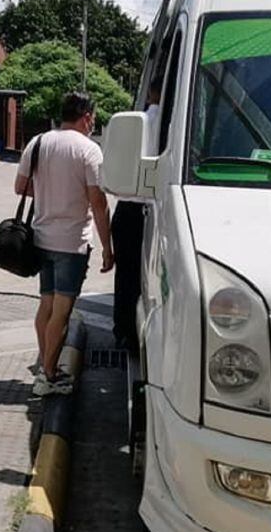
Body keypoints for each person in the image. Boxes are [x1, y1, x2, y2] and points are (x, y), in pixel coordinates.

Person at [15, 92, 114, 396]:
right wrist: (108, 248)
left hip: (41, 238)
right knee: (61, 312)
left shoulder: (39, 142)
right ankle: (48, 376)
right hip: (72, 244)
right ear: (86, 116)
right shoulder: (89, 150)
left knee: (46, 305)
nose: (92, 123)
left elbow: (20, 186)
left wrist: (49, 193)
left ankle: (47, 368)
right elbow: (98, 203)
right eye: (93, 118)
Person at [111, 78, 162, 350]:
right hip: (153, 208)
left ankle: (123, 330)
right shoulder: (175, 125)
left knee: (126, 274)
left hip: (126, 209)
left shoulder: (134, 123)